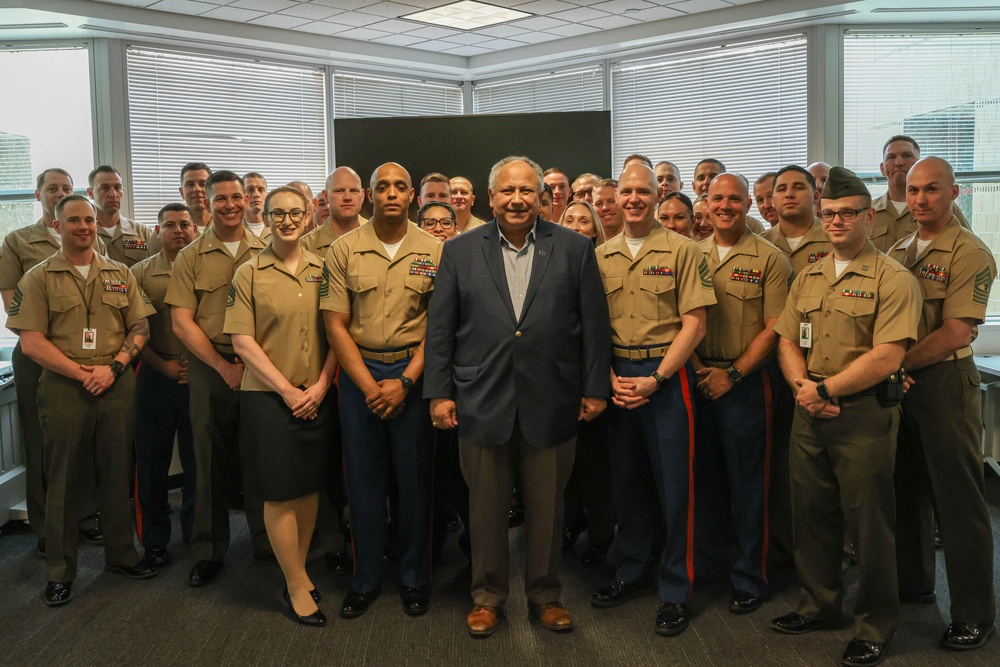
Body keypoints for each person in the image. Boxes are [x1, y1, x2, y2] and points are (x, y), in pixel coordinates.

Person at [425, 155, 611, 638]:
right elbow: (442, 330)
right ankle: (487, 597)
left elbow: (594, 326)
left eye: (527, 191)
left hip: (553, 396)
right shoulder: (460, 251)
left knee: (548, 507)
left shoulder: (574, 248)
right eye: (507, 191)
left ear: (542, 197)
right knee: (484, 508)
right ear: (492, 197)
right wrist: (439, 394)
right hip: (480, 398)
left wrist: (594, 388)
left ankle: (546, 596)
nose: (517, 199)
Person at [770, 167, 922, 667]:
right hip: (808, 408)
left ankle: (875, 624)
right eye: (829, 213)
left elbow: (888, 355)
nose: (835, 221)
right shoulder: (810, 272)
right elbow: (788, 339)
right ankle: (819, 605)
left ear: (868, 217)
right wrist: (803, 389)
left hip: (862, 414)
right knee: (810, 513)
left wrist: (825, 390)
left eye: (847, 214)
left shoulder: (893, 277)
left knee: (869, 523)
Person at [8, 195, 157, 606]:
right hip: (63, 386)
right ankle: (60, 571)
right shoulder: (38, 278)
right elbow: (32, 343)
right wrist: (81, 374)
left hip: (116, 380)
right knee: (64, 481)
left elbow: (140, 326)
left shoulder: (120, 273)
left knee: (116, 473)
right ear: (57, 226)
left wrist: (115, 367)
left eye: (89, 220)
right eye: (73, 220)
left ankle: (122, 555)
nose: (83, 227)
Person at [590, 162, 715, 638]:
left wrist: (658, 379)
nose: (635, 198)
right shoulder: (601, 256)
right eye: (627, 191)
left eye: (643, 191)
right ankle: (630, 570)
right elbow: (592, 326)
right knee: (627, 484)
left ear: (657, 197)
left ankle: (675, 590)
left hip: (665, 379)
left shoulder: (683, 250)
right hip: (618, 378)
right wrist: (606, 377)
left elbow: (695, 323)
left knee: (675, 488)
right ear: (616, 196)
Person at [322, 162, 441, 620]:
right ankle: (365, 579)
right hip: (360, 379)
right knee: (364, 485)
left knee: (414, 485)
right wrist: (372, 386)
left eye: (399, 187)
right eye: (382, 187)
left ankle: (414, 579)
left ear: (413, 195)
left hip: (413, 375)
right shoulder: (344, 249)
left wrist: (407, 382)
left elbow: (440, 327)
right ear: (370, 196)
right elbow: (335, 324)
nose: (391, 194)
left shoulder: (435, 249)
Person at [887, 157, 996, 651]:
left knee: (958, 502)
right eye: (913, 191)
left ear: (954, 193)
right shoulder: (900, 248)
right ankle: (915, 583)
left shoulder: (970, 252)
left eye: (932, 190)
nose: (921, 199)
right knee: (906, 490)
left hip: (945, 382)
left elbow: (956, 330)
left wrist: (896, 363)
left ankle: (975, 613)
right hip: (904, 385)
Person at [225, 186, 338, 627]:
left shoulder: (326, 268)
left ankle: (300, 567)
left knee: (308, 487)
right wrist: (289, 392)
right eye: (278, 214)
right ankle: (293, 581)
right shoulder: (249, 273)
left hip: (317, 395)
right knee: (279, 492)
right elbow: (241, 342)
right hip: (270, 400)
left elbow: (337, 332)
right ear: (265, 217)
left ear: (310, 214)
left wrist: (323, 384)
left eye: (295, 212)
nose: (287, 220)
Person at [692, 173, 792, 614]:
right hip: (697, 380)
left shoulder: (771, 260)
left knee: (750, 485)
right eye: (718, 198)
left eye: (735, 199)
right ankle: (711, 569)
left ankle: (751, 575)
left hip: (748, 385)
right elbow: (683, 321)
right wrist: (699, 371)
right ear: (706, 202)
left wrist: (730, 375)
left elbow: (775, 330)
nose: (726, 206)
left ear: (749, 202)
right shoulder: (690, 255)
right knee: (704, 481)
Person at [166, 170, 267, 586]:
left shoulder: (266, 250)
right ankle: (209, 551)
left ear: (247, 200)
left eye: (237, 197)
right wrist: (224, 367)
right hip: (211, 367)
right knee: (208, 460)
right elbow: (181, 322)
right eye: (220, 198)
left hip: (261, 366)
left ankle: (268, 542)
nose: (230, 205)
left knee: (262, 456)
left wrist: (254, 364)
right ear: (207, 202)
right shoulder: (191, 256)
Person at [1, 168, 106, 556]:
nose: (59, 192)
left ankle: (86, 517)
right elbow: (16, 308)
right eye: (52, 188)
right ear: (39, 194)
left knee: (87, 442)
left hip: (90, 361)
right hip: (39, 360)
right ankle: (47, 527)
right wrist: (58, 358)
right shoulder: (17, 241)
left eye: (66, 188)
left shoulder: (91, 238)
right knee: (43, 443)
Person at [131, 204, 198, 567]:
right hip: (155, 376)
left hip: (200, 377)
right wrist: (164, 366)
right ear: (157, 231)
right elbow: (135, 330)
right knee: (152, 463)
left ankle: (196, 534)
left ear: (195, 227)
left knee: (198, 462)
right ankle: (155, 541)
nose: (178, 230)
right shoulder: (139, 274)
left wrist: (197, 367)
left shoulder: (207, 267)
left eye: (185, 224)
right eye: (170, 225)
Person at [557, 199, 614, 566]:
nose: (577, 225)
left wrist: (595, 385)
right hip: (558, 381)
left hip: (594, 378)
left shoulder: (606, 262)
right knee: (564, 467)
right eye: (569, 219)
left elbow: (599, 330)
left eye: (584, 220)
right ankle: (568, 526)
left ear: (595, 229)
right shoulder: (548, 260)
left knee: (595, 465)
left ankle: (601, 537)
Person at [870, 135, 968, 253]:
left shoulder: (944, 208)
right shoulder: (867, 212)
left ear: (919, 164)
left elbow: (966, 245)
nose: (899, 162)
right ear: (882, 168)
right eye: (891, 157)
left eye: (907, 156)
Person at [761, 166, 833, 275]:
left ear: (816, 196)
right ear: (773, 201)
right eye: (781, 189)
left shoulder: (836, 240)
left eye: (798, 188)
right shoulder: (760, 245)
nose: (789, 194)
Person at [88, 165, 154, 266]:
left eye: (117, 188)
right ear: (90, 193)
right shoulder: (84, 233)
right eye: (105, 188)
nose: (113, 194)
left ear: (122, 190)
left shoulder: (142, 232)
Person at [302, 167, 365, 257]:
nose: (347, 197)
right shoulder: (306, 246)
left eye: (354, 191)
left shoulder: (379, 235)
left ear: (362, 196)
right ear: (326, 196)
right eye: (339, 191)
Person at [178, 162, 212, 228]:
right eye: (190, 184)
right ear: (182, 192)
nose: (197, 189)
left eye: (202, 184)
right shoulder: (169, 231)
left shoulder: (227, 225)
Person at [242, 171, 270, 240]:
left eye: (261, 190)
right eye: (250, 190)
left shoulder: (276, 228)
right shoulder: (234, 230)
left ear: (267, 195)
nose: (256, 195)